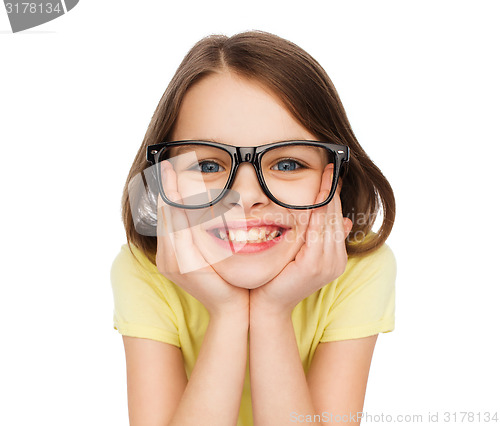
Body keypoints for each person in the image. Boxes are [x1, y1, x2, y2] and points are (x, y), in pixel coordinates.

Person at [111, 30, 396, 426]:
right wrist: (228, 313)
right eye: (209, 166)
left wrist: (271, 314)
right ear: (164, 180)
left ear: (333, 181)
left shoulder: (359, 268)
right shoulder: (145, 268)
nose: (245, 196)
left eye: (287, 164)